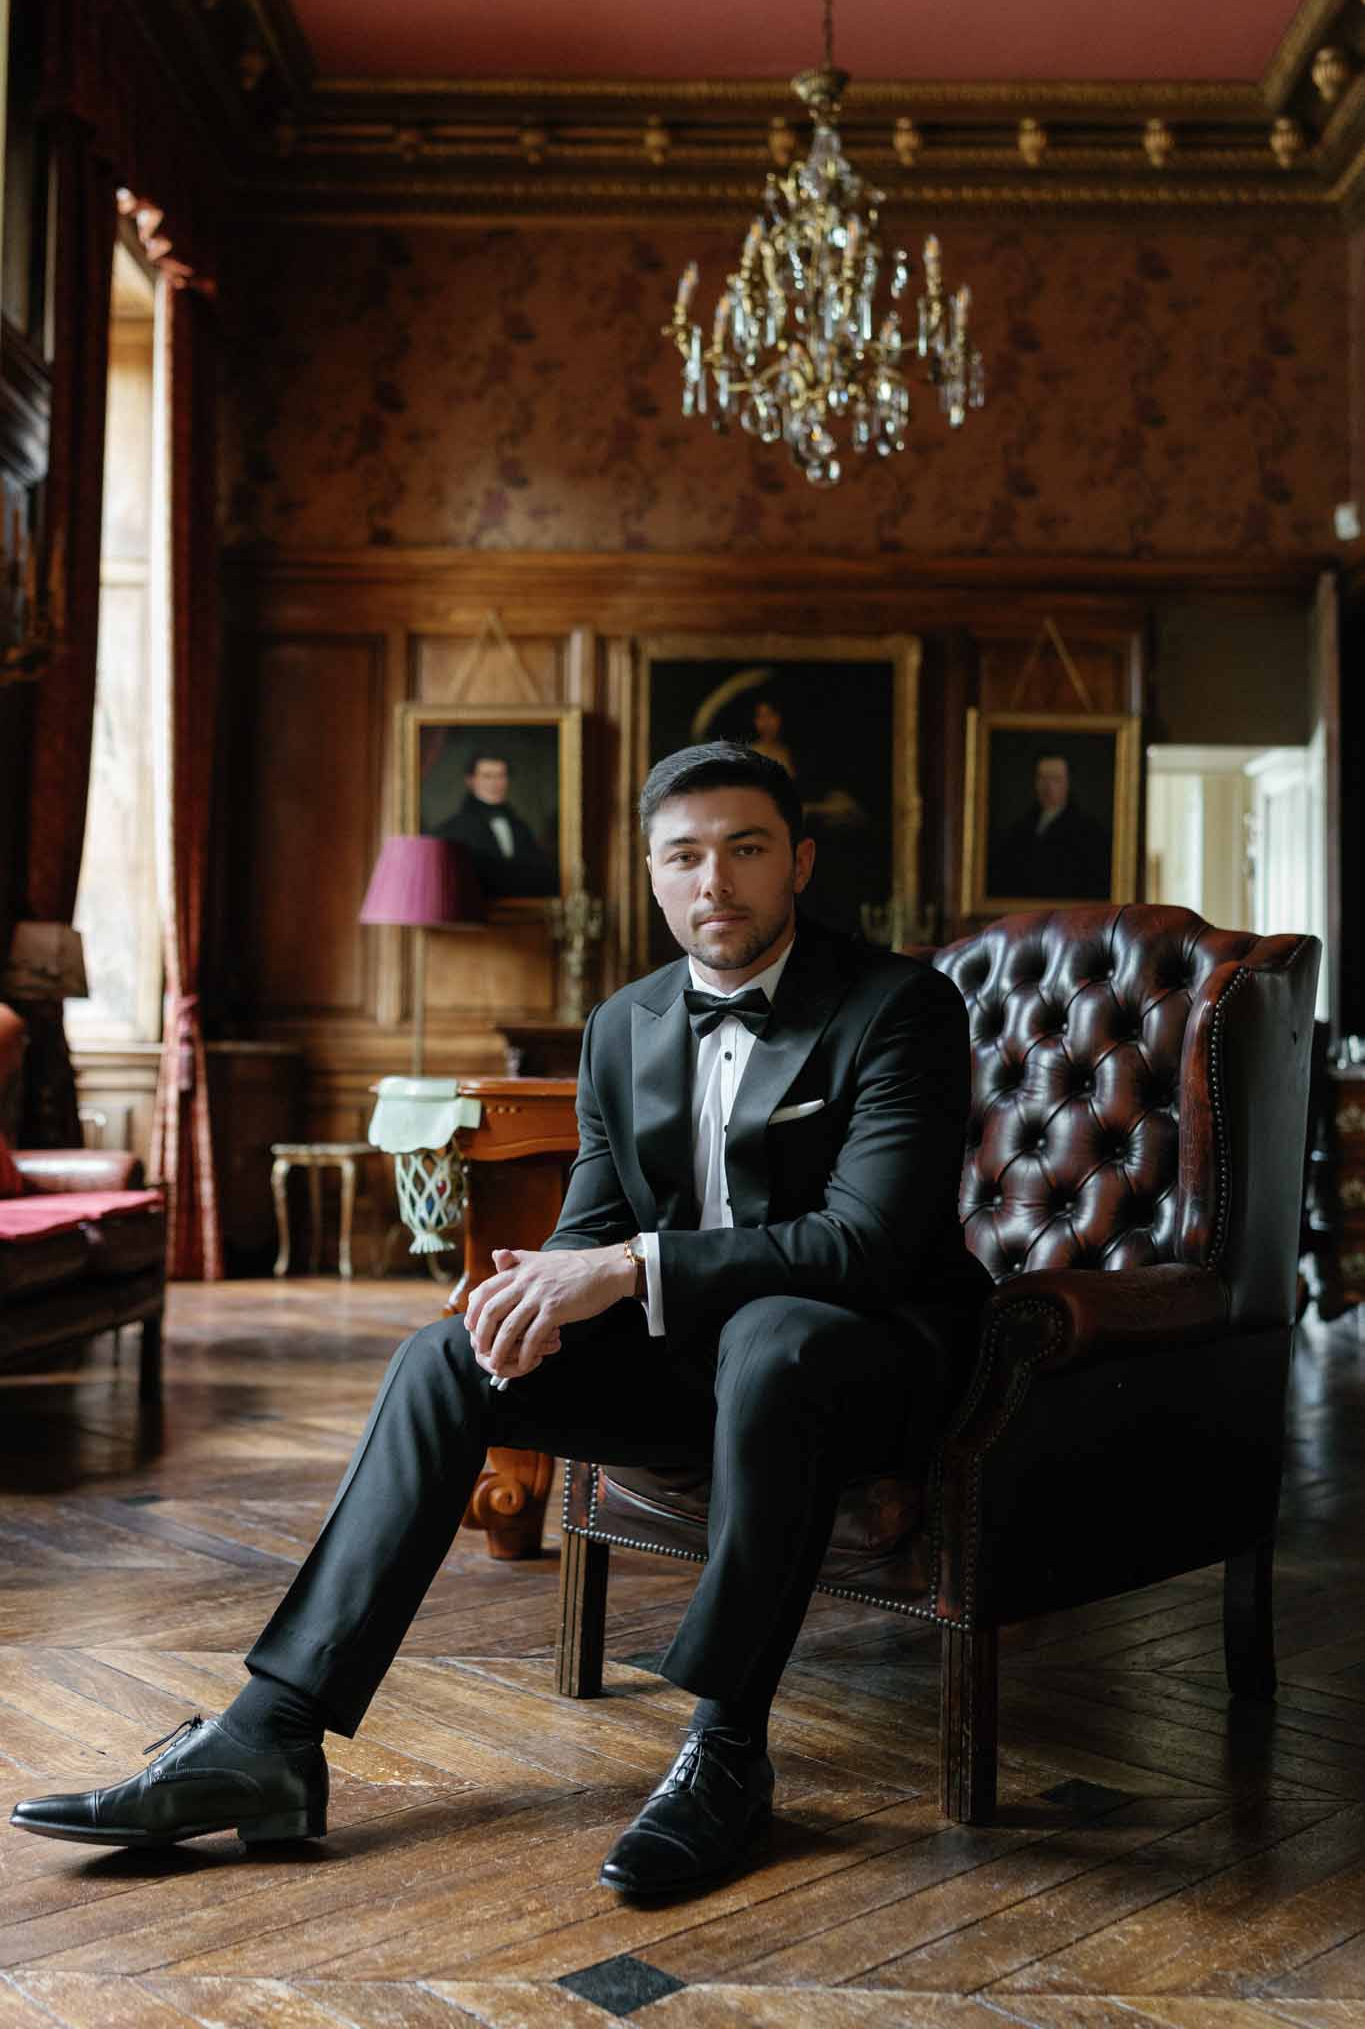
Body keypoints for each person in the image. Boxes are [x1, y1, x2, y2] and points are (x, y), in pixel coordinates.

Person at [10, 741, 990, 1894]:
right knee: (446, 1354)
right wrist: (535, 1296)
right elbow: (592, 1222)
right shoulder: (625, 1023)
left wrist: (624, 1268)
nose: (714, 880)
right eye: (684, 855)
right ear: (651, 872)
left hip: (875, 1365)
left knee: (774, 1337)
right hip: (700, 1365)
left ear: (800, 863)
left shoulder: (900, 1006)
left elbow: (861, 1246)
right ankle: (272, 1733)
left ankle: (728, 1750)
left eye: (746, 848)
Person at [991, 748, 1111, 902]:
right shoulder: (1020, 828)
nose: (1048, 787)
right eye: (1042, 778)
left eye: (1056, 779)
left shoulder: (1087, 830)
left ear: (1068, 783)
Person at [435, 751, 558, 898]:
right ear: (471, 781)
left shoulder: (521, 828)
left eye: (501, 776)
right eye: (487, 776)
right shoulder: (452, 829)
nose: (495, 783)